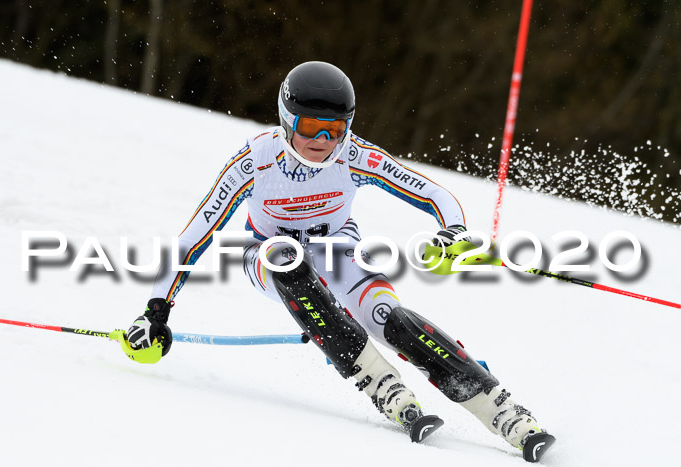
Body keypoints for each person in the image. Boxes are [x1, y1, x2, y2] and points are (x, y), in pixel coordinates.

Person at [117, 61, 555, 461]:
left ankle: (500, 408)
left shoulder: (354, 155)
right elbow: (193, 238)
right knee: (287, 260)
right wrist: (156, 310)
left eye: (335, 129)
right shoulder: (255, 161)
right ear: (287, 119)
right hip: (267, 253)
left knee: (390, 318)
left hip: (336, 249)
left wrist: (453, 233)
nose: (323, 142)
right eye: (310, 127)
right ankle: (380, 382)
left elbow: (432, 193)